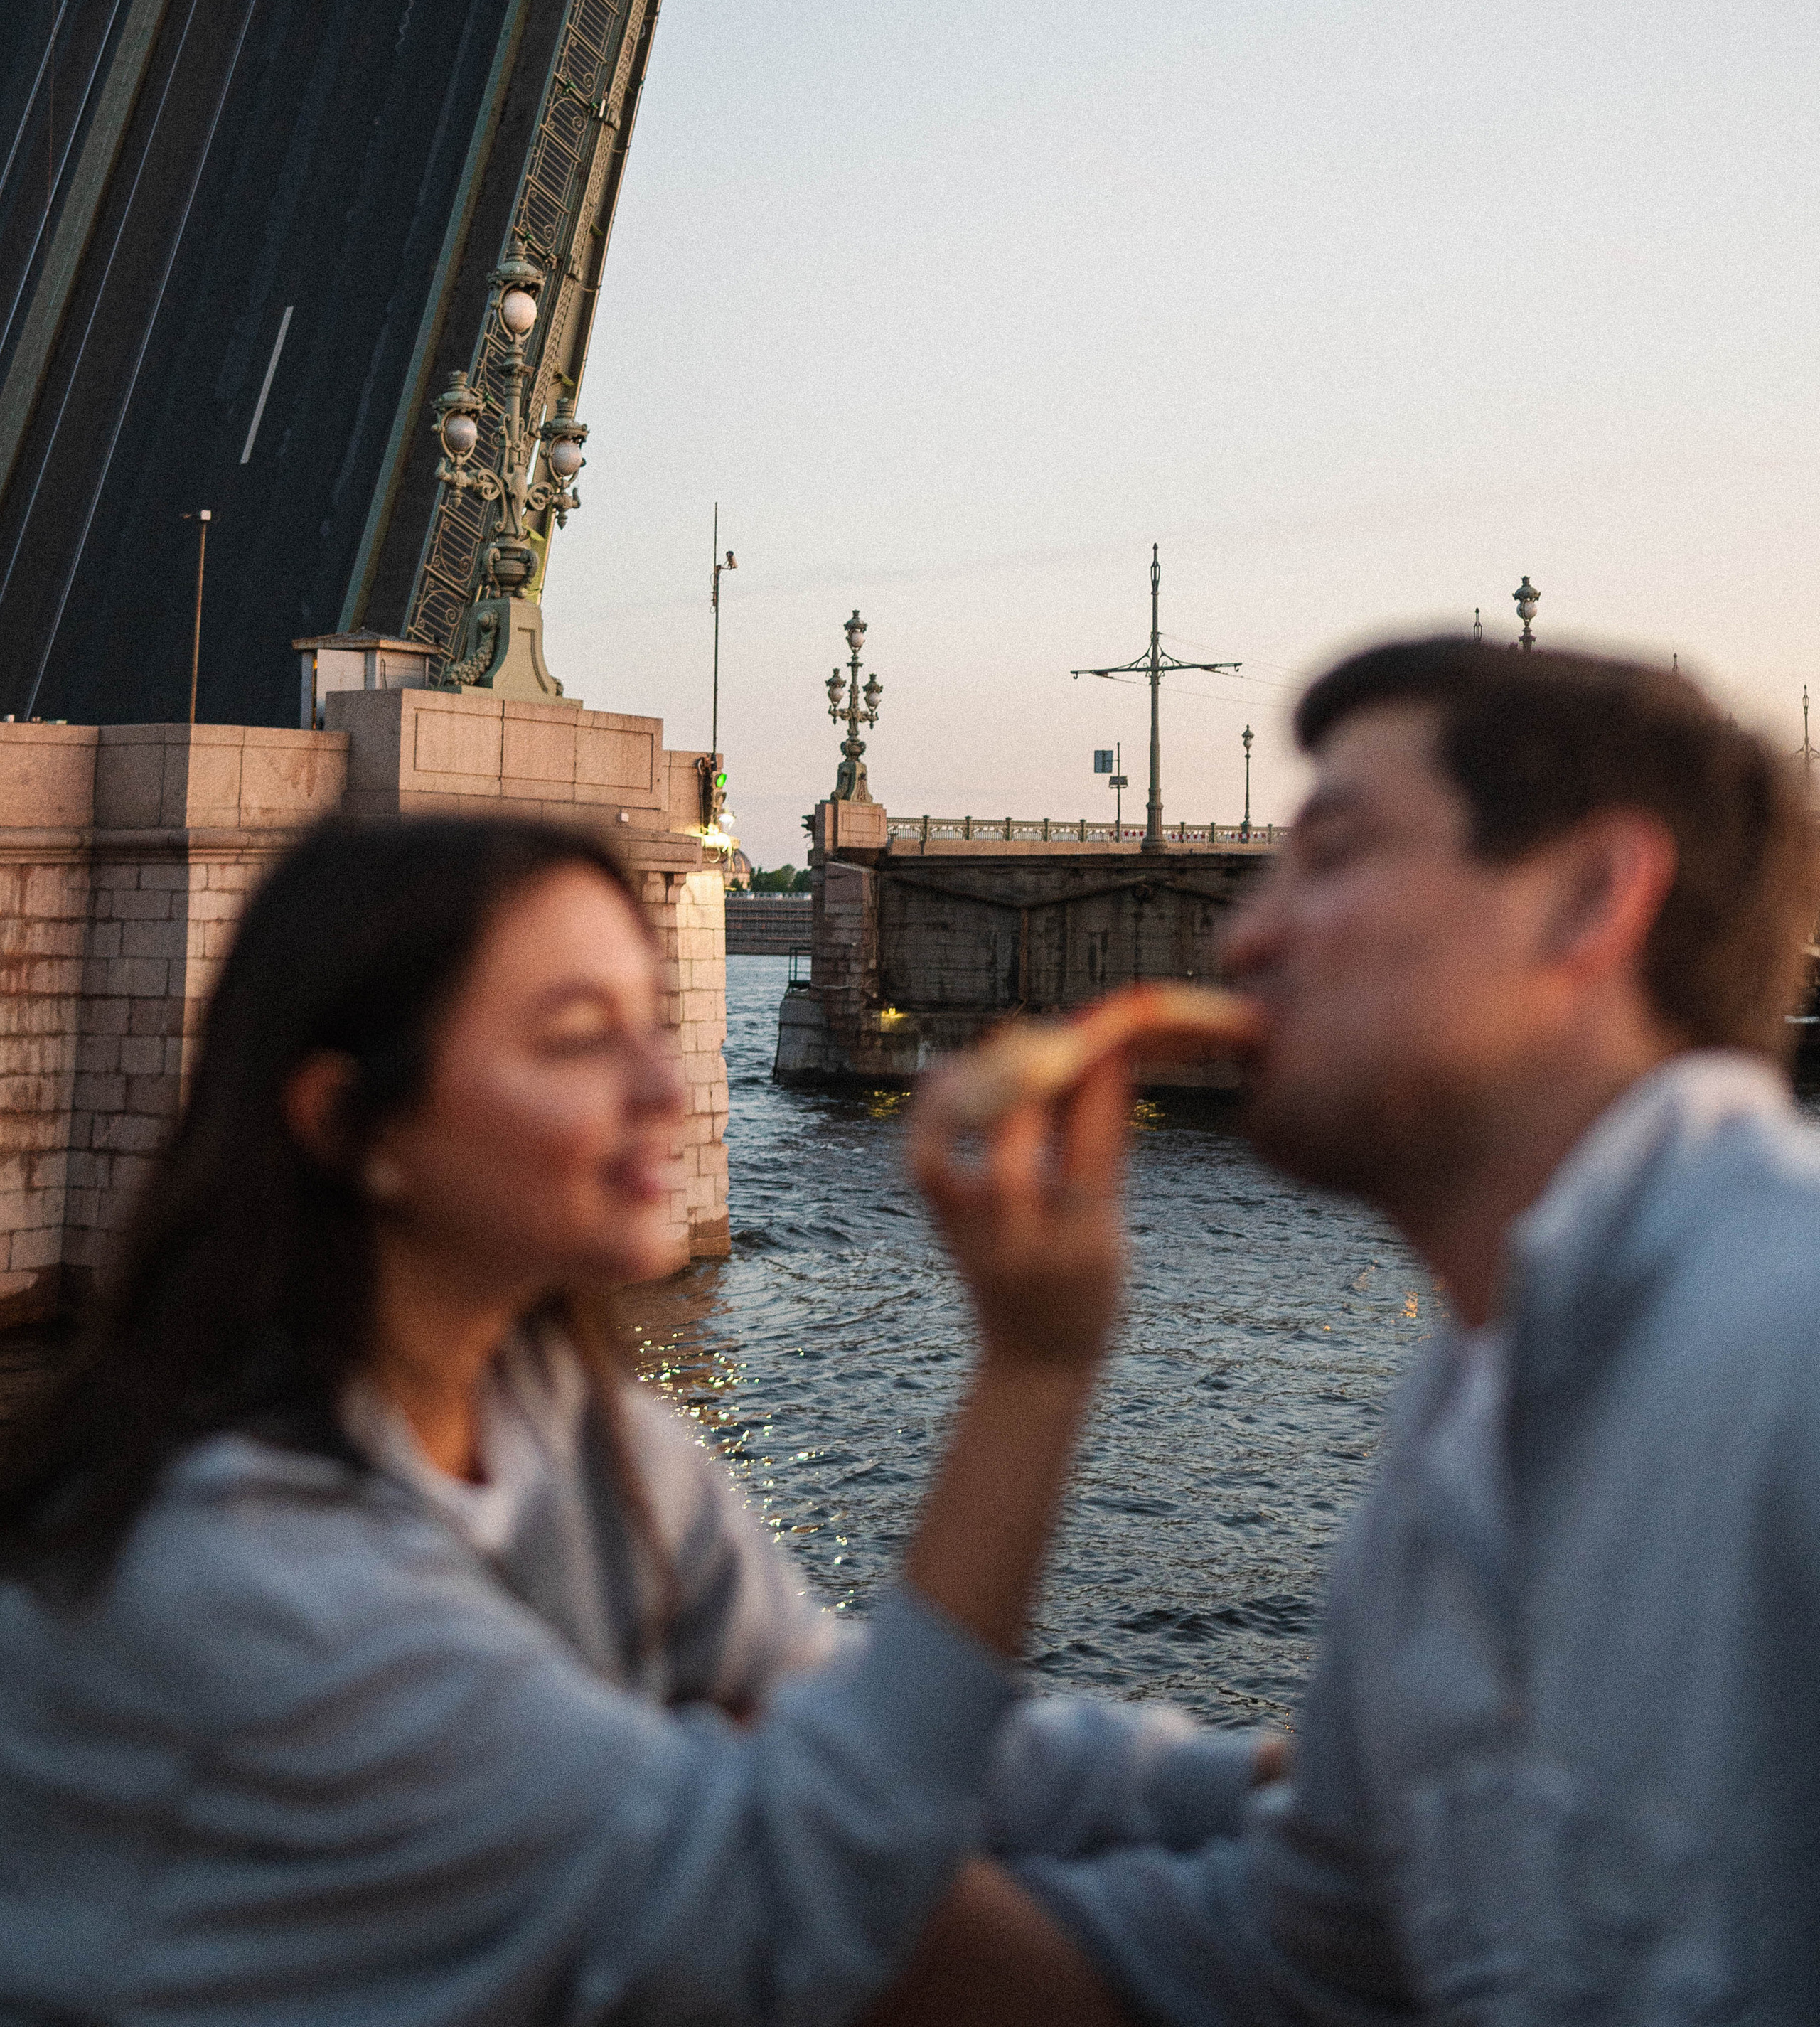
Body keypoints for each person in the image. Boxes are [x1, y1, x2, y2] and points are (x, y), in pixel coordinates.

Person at [0, 814, 1256, 2026]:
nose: (667, 1087)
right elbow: (799, 1912)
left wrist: (1253, 1780)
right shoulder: (240, 1578)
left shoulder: (580, 1436)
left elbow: (853, 1720)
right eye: (577, 1038)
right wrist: (1033, 1368)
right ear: (347, 1123)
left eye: (654, 1025)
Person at [892, 637, 1820, 2024]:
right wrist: (698, 1859)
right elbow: (1307, 1954)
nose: (1243, 936)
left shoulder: (1785, 1338)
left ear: (1585, 896)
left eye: (1332, 854)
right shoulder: (1463, 1400)